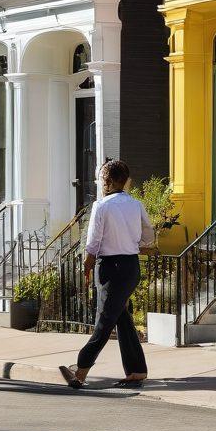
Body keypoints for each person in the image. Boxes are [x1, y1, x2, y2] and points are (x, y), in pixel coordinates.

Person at [60, 159, 154, 390]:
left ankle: (80, 370)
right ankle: (136, 370)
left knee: (104, 320)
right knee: (121, 318)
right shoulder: (136, 204)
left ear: (108, 181)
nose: (102, 183)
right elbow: (149, 235)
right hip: (131, 267)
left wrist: (87, 266)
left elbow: (93, 241)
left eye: (102, 179)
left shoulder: (101, 206)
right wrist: (134, 244)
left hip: (110, 268)